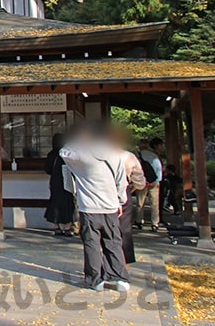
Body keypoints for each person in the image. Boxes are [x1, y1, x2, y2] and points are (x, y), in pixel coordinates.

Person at [60, 120, 131, 292]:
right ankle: (120, 277)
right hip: (111, 205)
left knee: (91, 243)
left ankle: (95, 279)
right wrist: (120, 200)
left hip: (89, 207)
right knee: (113, 241)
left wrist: (77, 140)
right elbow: (121, 181)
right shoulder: (115, 155)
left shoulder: (82, 156)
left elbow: (63, 151)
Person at [113, 129, 147, 264]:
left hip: (102, 193)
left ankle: (106, 262)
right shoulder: (129, 157)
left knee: (104, 229)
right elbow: (140, 182)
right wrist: (133, 188)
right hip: (124, 191)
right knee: (124, 228)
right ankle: (124, 263)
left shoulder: (101, 156)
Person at [44, 133, 75, 236]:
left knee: (55, 202)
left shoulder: (51, 154)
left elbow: (48, 169)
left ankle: (56, 226)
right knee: (67, 202)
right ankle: (67, 227)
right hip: (67, 180)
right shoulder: (67, 154)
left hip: (55, 181)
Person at [136, 138, 165, 230]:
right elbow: (158, 168)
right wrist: (157, 181)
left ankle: (139, 221)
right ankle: (155, 223)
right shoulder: (153, 155)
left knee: (140, 203)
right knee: (154, 203)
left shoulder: (137, 156)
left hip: (142, 182)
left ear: (140, 146)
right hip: (153, 182)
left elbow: (135, 169)